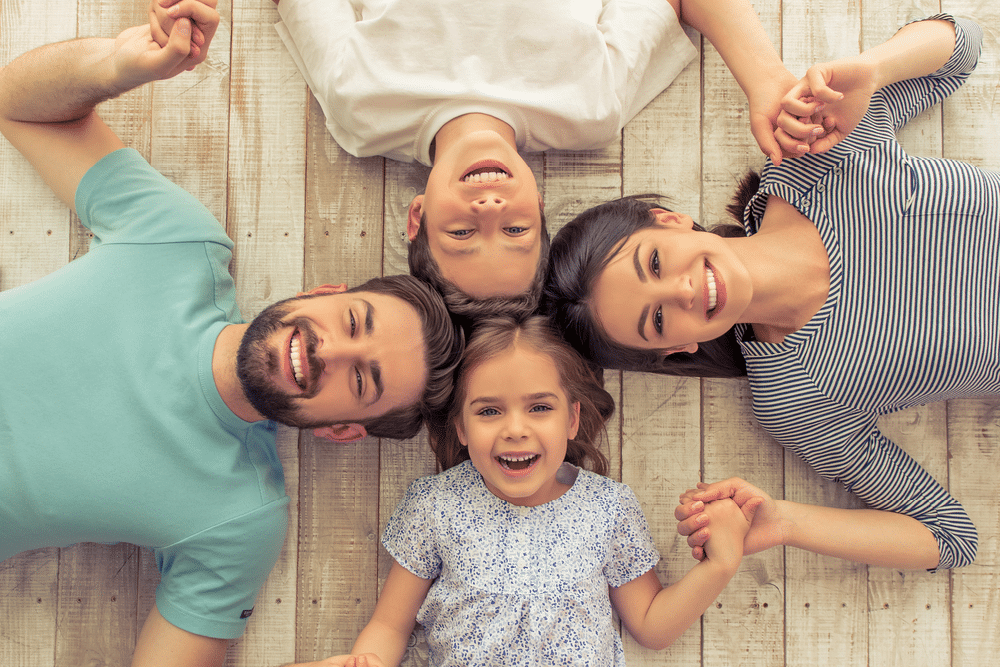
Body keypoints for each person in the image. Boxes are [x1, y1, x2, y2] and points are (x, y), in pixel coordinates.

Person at [0, 5, 461, 667]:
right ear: (325, 293)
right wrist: (124, 62)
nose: (332, 350)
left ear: (342, 429)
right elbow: (20, 105)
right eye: (355, 323)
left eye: (362, 380)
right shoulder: (178, 243)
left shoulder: (240, 518)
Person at [544, 14, 995, 572]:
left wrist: (873, 69)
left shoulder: (813, 159)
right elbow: (948, 539)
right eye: (657, 321)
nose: (682, 290)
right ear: (676, 350)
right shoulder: (796, 396)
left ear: (671, 220)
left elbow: (964, 45)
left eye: (655, 262)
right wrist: (784, 521)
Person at [262, 0, 798, 318]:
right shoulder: (590, 107)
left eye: (461, 234)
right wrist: (766, 82)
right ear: (539, 205)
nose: (489, 207)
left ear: (418, 217)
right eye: (516, 230)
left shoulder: (361, 109)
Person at [284, 315, 757, 667]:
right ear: (461, 428)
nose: (515, 430)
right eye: (489, 411)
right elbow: (390, 626)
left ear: (571, 418)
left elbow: (652, 624)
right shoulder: (435, 506)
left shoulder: (608, 507)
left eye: (539, 408)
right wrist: (364, 660)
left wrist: (719, 565)